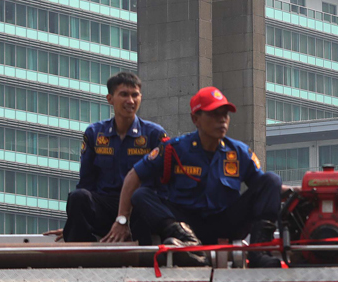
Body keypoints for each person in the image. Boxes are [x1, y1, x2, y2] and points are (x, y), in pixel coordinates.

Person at [115, 86, 282, 267]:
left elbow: (264, 189)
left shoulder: (239, 152)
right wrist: (121, 220)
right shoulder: (174, 149)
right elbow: (134, 176)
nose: (222, 120)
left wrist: (302, 191)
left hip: (225, 222)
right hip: (184, 224)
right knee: (141, 195)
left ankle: (259, 252)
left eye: (225, 114)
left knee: (272, 180)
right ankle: (188, 244)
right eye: (214, 114)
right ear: (196, 119)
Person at [65, 72, 167, 243]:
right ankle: (80, 260)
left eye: (135, 95)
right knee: (78, 197)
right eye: (124, 94)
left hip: (138, 208)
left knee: (143, 198)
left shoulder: (154, 134)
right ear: (110, 99)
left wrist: (124, 217)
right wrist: (75, 223)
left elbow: (163, 183)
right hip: (105, 205)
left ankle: (143, 262)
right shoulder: (94, 133)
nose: (131, 101)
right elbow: (86, 182)